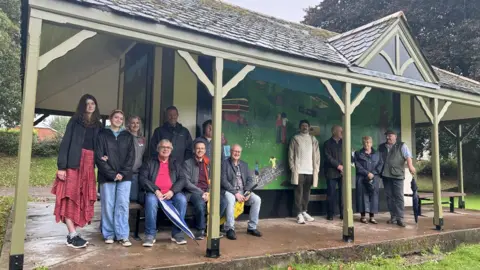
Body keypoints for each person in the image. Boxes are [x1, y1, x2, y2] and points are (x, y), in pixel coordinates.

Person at [51, 94, 102, 249]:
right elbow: (66, 143)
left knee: (82, 197)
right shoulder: (75, 121)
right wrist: (61, 167)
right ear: (82, 106)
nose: (90, 106)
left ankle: (72, 234)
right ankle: (72, 234)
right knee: (69, 197)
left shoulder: (98, 125)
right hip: (73, 164)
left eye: (93, 103)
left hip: (89, 166)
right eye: (87, 103)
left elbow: (100, 146)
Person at [95, 110, 135, 247]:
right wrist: (112, 174)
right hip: (107, 176)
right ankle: (109, 234)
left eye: (121, 118)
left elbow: (131, 157)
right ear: (111, 118)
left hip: (125, 176)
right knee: (108, 205)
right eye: (116, 117)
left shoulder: (128, 136)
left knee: (122, 205)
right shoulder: (102, 135)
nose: (118, 119)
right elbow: (99, 157)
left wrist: (122, 173)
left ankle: (123, 235)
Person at [139, 139, 188, 246]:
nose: (165, 149)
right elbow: (142, 178)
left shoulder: (175, 163)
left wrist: (172, 191)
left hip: (171, 193)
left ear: (171, 150)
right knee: (151, 200)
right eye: (163, 147)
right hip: (154, 193)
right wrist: (155, 190)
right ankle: (150, 235)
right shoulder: (149, 162)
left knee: (182, 199)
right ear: (158, 149)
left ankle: (177, 233)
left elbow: (182, 179)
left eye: (168, 147)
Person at [221, 144, 262, 240]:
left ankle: (252, 227)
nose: (236, 153)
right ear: (231, 152)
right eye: (235, 151)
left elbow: (250, 180)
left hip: (243, 191)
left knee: (257, 199)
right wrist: (235, 193)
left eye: (238, 152)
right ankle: (229, 228)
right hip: (229, 191)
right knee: (231, 200)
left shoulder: (244, 164)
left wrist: (247, 192)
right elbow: (223, 181)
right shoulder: (224, 163)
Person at [379, 130, 416, 227]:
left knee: (398, 196)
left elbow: (408, 156)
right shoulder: (382, 147)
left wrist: (410, 166)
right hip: (385, 175)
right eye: (387, 136)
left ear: (395, 136)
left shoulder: (402, 145)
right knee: (389, 197)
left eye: (390, 136)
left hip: (397, 175)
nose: (388, 137)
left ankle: (400, 218)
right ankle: (393, 217)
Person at [288, 120, 321, 224]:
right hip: (299, 170)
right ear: (300, 127)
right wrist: (293, 168)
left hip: (310, 170)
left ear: (309, 127)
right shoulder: (295, 138)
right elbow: (291, 155)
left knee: (307, 192)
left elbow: (317, 155)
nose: (304, 127)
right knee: (298, 192)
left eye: (306, 126)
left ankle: (304, 211)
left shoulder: (313, 139)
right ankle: (298, 214)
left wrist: (316, 168)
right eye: (302, 125)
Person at [354, 136, 383, 224]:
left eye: (369, 142)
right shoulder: (358, 153)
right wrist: (367, 173)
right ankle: (363, 216)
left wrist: (373, 173)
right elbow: (357, 165)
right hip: (362, 178)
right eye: (365, 142)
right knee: (362, 196)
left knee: (373, 196)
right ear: (363, 143)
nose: (367, 144)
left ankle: (372, 217)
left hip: (374, 178)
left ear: (371, 143)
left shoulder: (377, 154)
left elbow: (380, 164)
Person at [323, 125, 344, 220]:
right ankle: (330, 214)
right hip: (331, 172)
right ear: (334, 132)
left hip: (343, 172)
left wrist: (344, 167)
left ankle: (343, 214)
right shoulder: (327, 143)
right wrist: (338, 166)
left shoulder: (344, 143)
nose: (342, 133)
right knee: (331, 194)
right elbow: (328, 157)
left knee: (343, 194)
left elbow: (348, 155)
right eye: (340, 131)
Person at [126, 116, 146, 202]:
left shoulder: (143, 139)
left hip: (137, 173)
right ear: (129, 124)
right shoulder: (125, 137)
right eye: (133, 123)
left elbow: (143, 155)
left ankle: (132, 216)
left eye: (137, 123)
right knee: (125, 199)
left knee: (134, 199)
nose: (135, 125)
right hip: (126, 173)